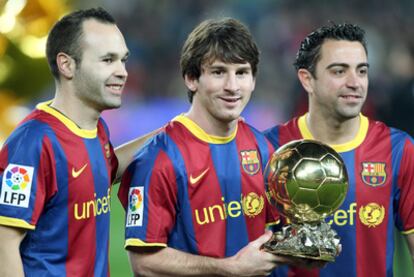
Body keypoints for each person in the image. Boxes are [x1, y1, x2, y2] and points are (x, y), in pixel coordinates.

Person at [118, 18, 312, 276]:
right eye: (219, 72)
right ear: (191, 78)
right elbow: (144, 264)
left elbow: (270, 237)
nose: (232, 87)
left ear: (253, 80)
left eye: (241, 72)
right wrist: (230, 269)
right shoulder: (159, 158)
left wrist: (305, 249)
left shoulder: (263, 149)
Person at [0, 7, 147, 276]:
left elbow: (106, 169)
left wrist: (174, 131)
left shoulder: (95, 130)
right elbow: (4, 244)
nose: (123, 71)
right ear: (67, 65)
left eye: (123, 60)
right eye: (108, 60)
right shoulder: (33, 142)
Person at [264, 23, 414, 277]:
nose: (355, 83)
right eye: (339, 71)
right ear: (307, 80)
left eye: (362, 71)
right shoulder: (269, 148)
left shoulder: (398, 149)